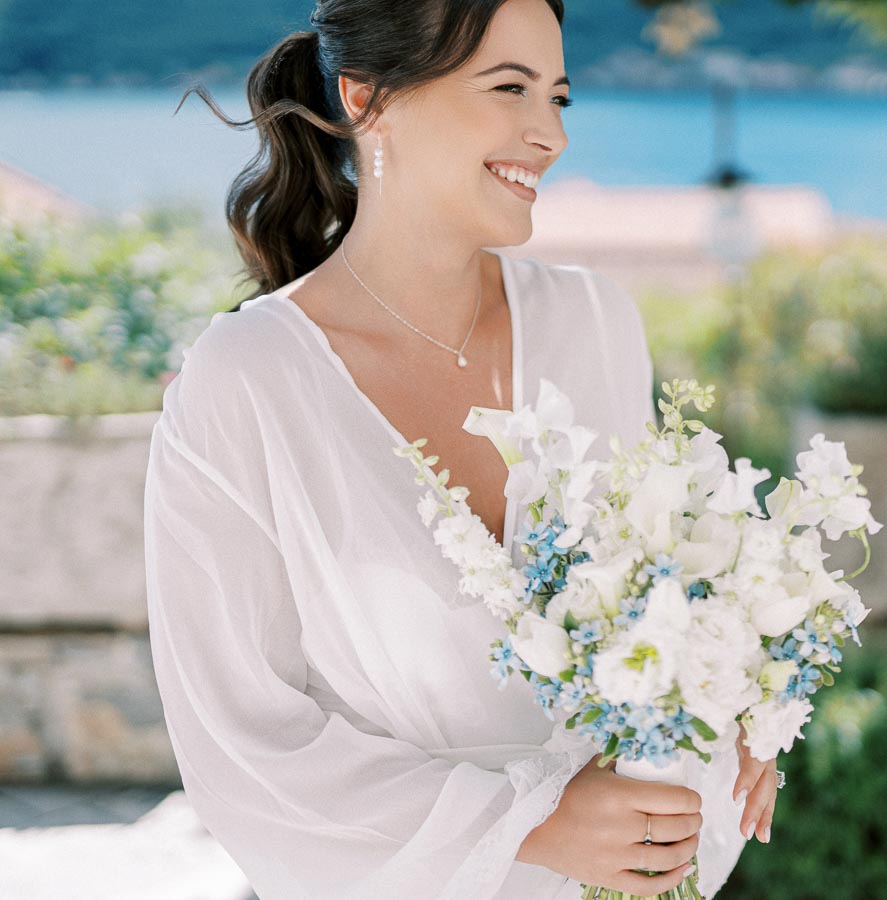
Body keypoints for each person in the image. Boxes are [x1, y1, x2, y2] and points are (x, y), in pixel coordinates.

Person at [143, 1, 782, 897]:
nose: (549, 133)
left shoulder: (595, 324)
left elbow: (667, 595)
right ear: (368, 99)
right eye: (509, 88)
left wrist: (739, 698)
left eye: (559, 96)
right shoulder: (246, 381)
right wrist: (533, 824)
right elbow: (241, 741)